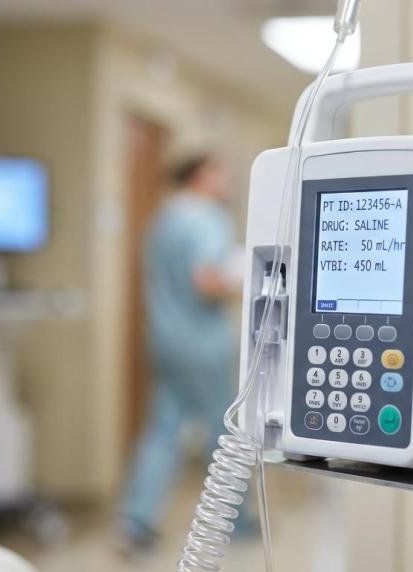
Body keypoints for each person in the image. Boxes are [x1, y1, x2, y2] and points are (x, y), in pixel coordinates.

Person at [115, 153, 245, 555]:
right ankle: (236, 521)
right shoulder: (206, 219)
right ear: (200, 176)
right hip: (202, 344)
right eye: (220, 171)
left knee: (163, 430)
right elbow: (207, 281)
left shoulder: (163, 219)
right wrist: (252, 282)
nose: (226, 180)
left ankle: (136, 520)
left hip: (166, 341)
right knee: (226, 432)